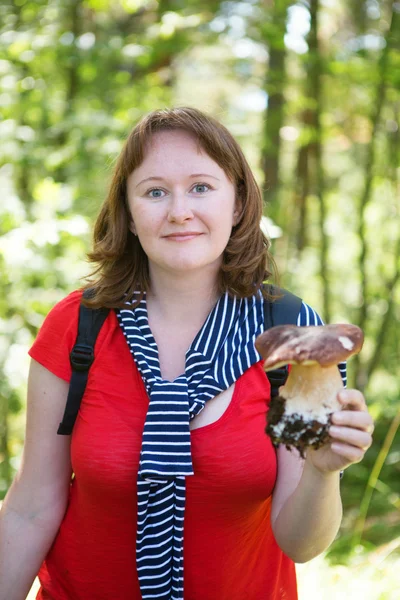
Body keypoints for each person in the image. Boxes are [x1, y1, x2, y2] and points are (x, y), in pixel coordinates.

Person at [0, 107, 374, 600]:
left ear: (237, 203)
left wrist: (324, 474)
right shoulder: (78, 326)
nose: (179, 211)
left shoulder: (292, 334)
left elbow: (300, 544)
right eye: (155, 191)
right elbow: (31, 507)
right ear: (130, 216)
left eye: (201, 187)